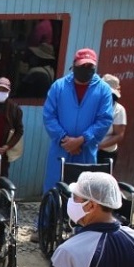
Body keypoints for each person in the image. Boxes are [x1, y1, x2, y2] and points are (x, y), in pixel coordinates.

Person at [39, 48, 113, 195]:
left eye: (89, 66)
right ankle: (50, 218)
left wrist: (82, 139)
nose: (85, 69)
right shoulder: (59, 86)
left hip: (85, 151)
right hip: (61, 149)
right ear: (74, 65)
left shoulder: (103, 90)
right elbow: (49, 116)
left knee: (83, 194)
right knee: (55, 192)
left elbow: (104, 119)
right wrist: (64, 139)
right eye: (82, 65)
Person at [97, 74, 127, 165]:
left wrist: (98, 146)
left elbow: (119, 135)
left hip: (106, 153)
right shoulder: (93, 105)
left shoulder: (119, 110)